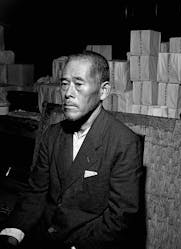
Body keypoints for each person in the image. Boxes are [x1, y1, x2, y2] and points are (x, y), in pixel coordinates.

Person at [0, 51, 144, 249]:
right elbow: (36, 193)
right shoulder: (52, 135)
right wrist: (14, 231)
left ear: (103, 91)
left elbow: (120, 219)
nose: (68, 92)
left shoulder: (124, 142)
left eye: (78, 83)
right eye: (65, 83)